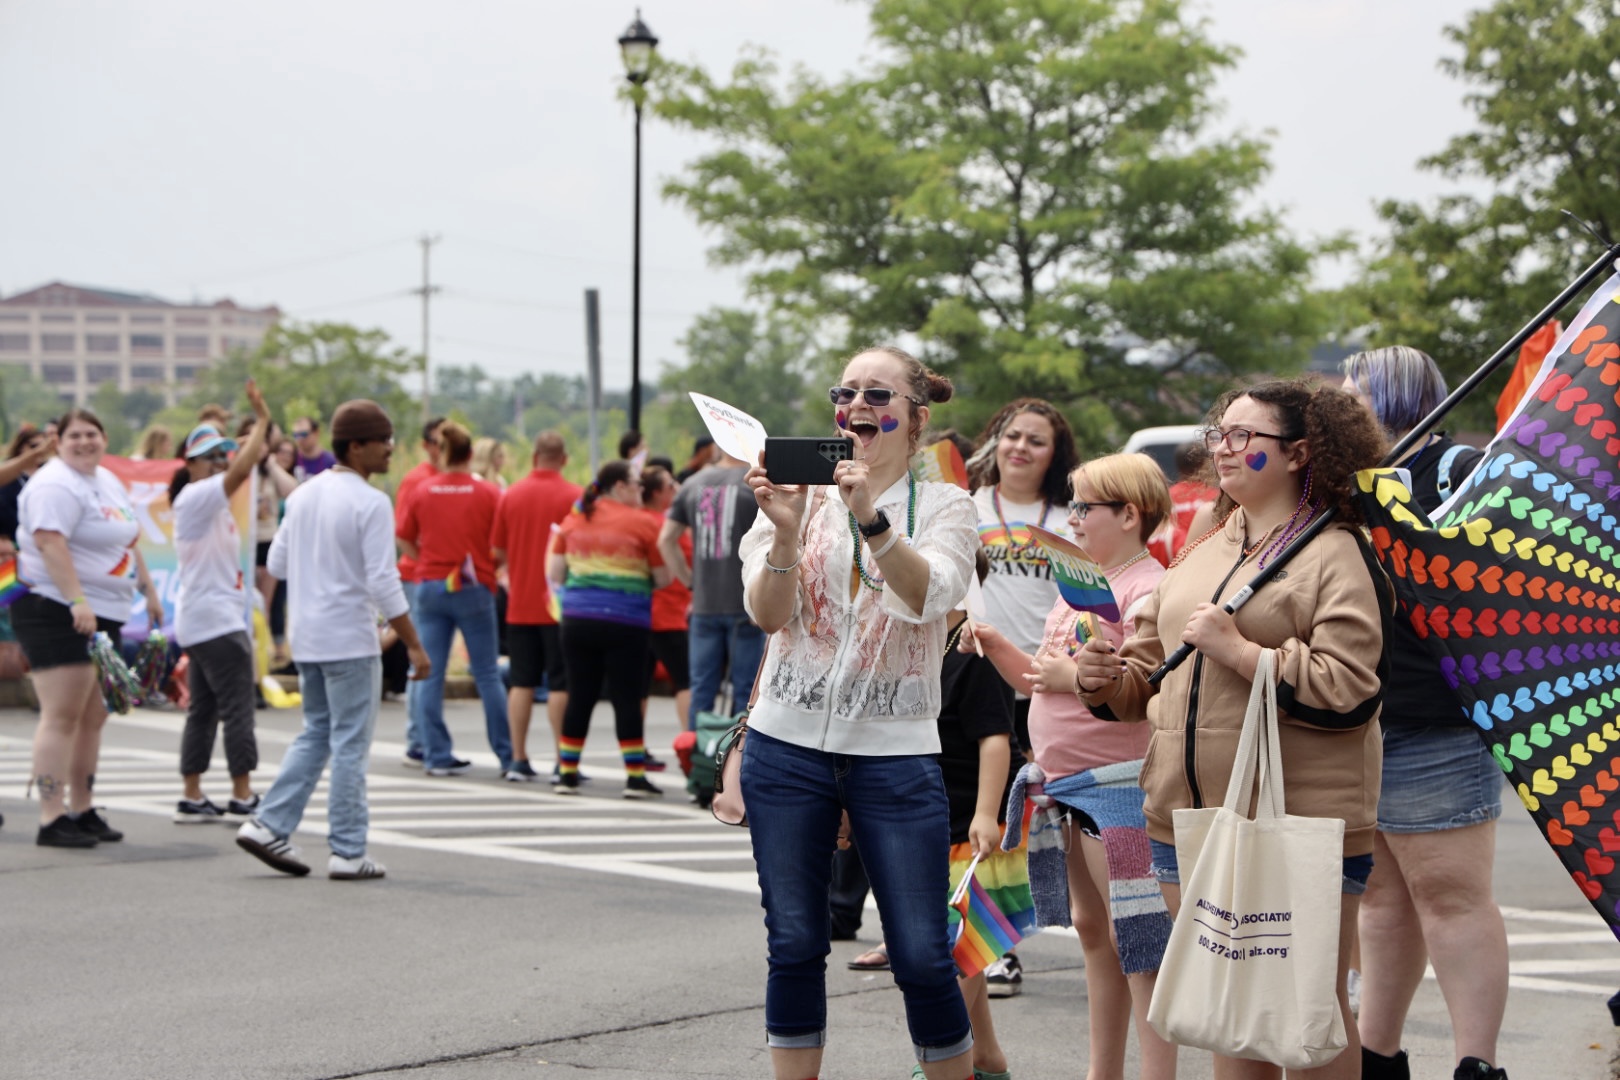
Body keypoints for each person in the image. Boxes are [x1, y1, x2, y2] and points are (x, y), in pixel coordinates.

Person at [1075, 378, 1392, 1080]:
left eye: (1246, 437)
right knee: (1229, 1008)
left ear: (1300, 452)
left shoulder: (1336, 551)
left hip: (1298, 825)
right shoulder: (1207, 542)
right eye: (1222, 432)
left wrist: (1244, 652)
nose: (1224, 447)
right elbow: (1150, 672)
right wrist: (1105, 680)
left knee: (1307, 1013)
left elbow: (1350, 688)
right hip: (1184, 820)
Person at [740, 346, 978, 1080]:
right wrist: (783, 531)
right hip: (786, 746)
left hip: (895, 753)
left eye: (880, 395)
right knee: (797, 940)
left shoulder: (946, 505)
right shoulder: (797, 495)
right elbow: (767, 615)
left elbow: (928, 595)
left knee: (918, 949)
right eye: (848, 394)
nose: (860, 407)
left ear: (916, 420)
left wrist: (870, 518)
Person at [972, 453, 1178, 1080]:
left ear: (1129, 513)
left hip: (1119, 785)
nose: (1075, 517)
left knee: (1138, 940)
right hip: (1067, 783)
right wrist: (997, 644)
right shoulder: (1079, 585)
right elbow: (1039, 680)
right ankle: (1102, 1070)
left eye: (1086, 506)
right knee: (1095, 931)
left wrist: (1071, 674)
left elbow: (1136, 679)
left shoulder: (1149, 585)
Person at [1341, 347, 1510, 1080]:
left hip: (1439, 718)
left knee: (1451, 897)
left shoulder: (1460, 474)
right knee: (1382, 898)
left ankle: (1477, 1065)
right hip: (1361, 718)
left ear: (1395, 397)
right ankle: (1380, 1057)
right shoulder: (1346, 486)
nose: (1341, 406)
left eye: (1354, 393)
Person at [237, 399, 429, 880]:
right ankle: (347, 851)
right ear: (356, 446)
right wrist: (414, 644)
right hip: (349, 639)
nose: (389, 449)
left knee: (316, 732)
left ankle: (268, 824)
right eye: (382, 440)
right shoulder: (369, 501)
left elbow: (277, 565)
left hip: (308, 638)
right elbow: (384, 581)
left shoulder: (302, 495)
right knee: (348, 745)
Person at [964, 397, 1079, 995]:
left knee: (1024, 824)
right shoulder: (966, 507)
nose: (1020, 448)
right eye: (1012, 435)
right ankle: (979, 945)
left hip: (1042, 685)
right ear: (995, 440)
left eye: (1036, 440)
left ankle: (1002, 941)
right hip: (974, 676)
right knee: (973, 817)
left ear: (1054, 454)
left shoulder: (1067, 520)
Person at [17, 408, 165, 847]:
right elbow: (49, 541)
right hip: (55, 607)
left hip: (106, 611)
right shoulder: (54, 483)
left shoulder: (107, 480)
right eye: (75, 435)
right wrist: (77, 599)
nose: (84, 442)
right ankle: (51, 814)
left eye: (92, 434)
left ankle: (82, 808)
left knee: (94, 715)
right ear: (58, 442)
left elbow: (129, 537)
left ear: (104, 438)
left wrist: (149, 591)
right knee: (62, 714)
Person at [169, 384, 273, 822]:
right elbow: (242, 472)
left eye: (221, 454)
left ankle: (192, 795)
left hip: (206, 619)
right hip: (217, 624)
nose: (219, 462)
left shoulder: (208, 505)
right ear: (190, 464)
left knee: (204, 710)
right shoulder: (197, 497)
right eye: (210, 456)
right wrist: (262, 422)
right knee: (237, 710)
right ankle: (242, 794)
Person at [396, 420, 512, 777]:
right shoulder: (489, 493)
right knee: (488, 674)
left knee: (430, 672)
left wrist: (424, 558)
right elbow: (501, 546)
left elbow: (403, 538)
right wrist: (490, 566)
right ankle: (507, 755)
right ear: (470, 452)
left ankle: (435, 754)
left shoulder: (423, 489)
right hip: (474, 586)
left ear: (444, 451)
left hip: (431, 584)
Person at [548, 460, 670, 797]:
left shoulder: (574, 520)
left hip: (577, 620)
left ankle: (567, 772)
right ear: (619, 486)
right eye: (635, 483)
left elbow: (556, 574)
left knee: (580, 694)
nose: (641, 489)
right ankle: (634, 776)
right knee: (626, 697)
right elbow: (663, 577)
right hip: (626, 621)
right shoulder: (644, 523)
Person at [492, 431, 582, 783]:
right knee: (560, 683)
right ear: (563, 458)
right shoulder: (574, 497)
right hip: (559, 606)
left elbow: (497, 552)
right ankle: (564, 760)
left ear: (534, 456)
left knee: (521, 681)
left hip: (520, 603)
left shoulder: (510, 495)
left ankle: (518, 757)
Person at [659, 445, 764, 731]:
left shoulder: (692, 484)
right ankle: (733, 763)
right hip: (747, 604)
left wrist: (690, 581)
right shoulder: (757, 481)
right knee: (744, 691)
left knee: (701, 688)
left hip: (705, 603)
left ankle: (695, 760)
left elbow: (666, 540)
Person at [394, 416, 445, 767]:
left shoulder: (452, 478)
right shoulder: (417, 480)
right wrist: (426, 560)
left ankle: (421, 735)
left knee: (429, 658)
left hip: (442, 578)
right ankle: (417, 737)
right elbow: (403, 534)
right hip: (417, 576)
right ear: (427, 445)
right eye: (440, 442)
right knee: (421, 656)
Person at [640, 465, 692, 731]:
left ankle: (636, 748)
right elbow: (690, 558)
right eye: (670, 485)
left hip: (639, 613)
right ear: (659, 493)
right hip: (669, 613)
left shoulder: (636, 521)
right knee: (685, 682)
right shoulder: (668, 527)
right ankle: (690, 741)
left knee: (639, 684)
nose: (675, 489)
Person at [0, 425, 55, 560]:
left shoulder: (53, 474)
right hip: (13, 547)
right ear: (21, 447)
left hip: (45, 547)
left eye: (44, 447)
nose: (41, 451)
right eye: (34, 446)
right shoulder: (10, 476)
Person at [290, 415, 336, 481]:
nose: (300, 439)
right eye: (296, 435)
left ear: (316, 433)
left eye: (304, 434)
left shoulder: (332, 461)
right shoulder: (292, 460)